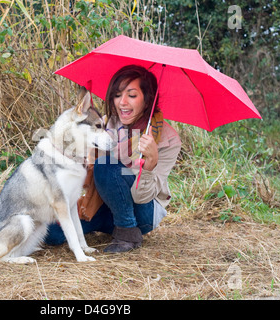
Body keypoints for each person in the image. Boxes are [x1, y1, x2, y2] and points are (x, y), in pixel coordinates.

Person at [45, 65, 182, 253]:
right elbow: (88, 172)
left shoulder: (168, 140)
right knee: (51, 234)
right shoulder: (108, 123)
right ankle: (115, 225)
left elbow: (143, 198)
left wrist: (149, 164)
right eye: (117, 95)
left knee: (107, 165)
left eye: (132, 95)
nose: (122, 102)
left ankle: (127, 232)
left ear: (147, 99)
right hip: (105, 205)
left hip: (142, 211)